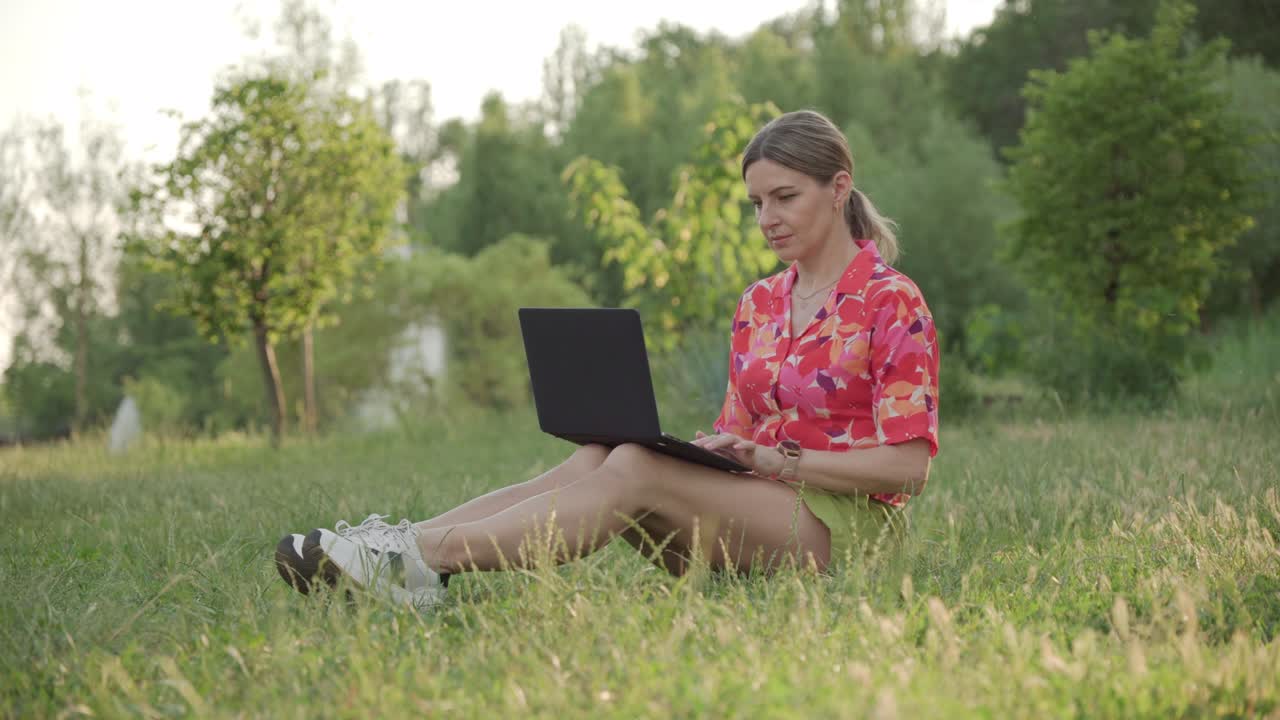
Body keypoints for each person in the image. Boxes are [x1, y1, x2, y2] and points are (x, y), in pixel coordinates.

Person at [274, 109, 940, 608]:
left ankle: (419, 561)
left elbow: (909, 468)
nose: (766, 217)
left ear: (838, 187)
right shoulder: (760, 303)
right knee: (603, 454)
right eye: (756, 202)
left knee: (635, 467)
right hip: (755, 514)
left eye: (784, 197)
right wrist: (722, 450)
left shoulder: (889, 301)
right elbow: (740, 428)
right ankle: (396, 545)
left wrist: (784, 462)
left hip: (844, 531)